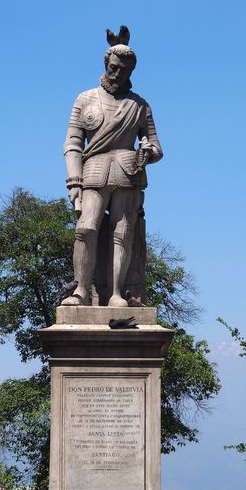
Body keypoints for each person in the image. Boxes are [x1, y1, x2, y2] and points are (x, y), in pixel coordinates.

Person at [62, 26, 163, 307]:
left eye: (124, 71)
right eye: (114, 67)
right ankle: (81, 290)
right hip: (93, 170)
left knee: (123, 233)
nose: (117, 74)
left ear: (131, 72)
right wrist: (73, 181)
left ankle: (117, 293)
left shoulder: (140, 105)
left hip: (128, 171)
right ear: (106, 64)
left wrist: (148, 151)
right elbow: (72, 142)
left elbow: (157, 146)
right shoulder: (85, 99)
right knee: (86, 229)